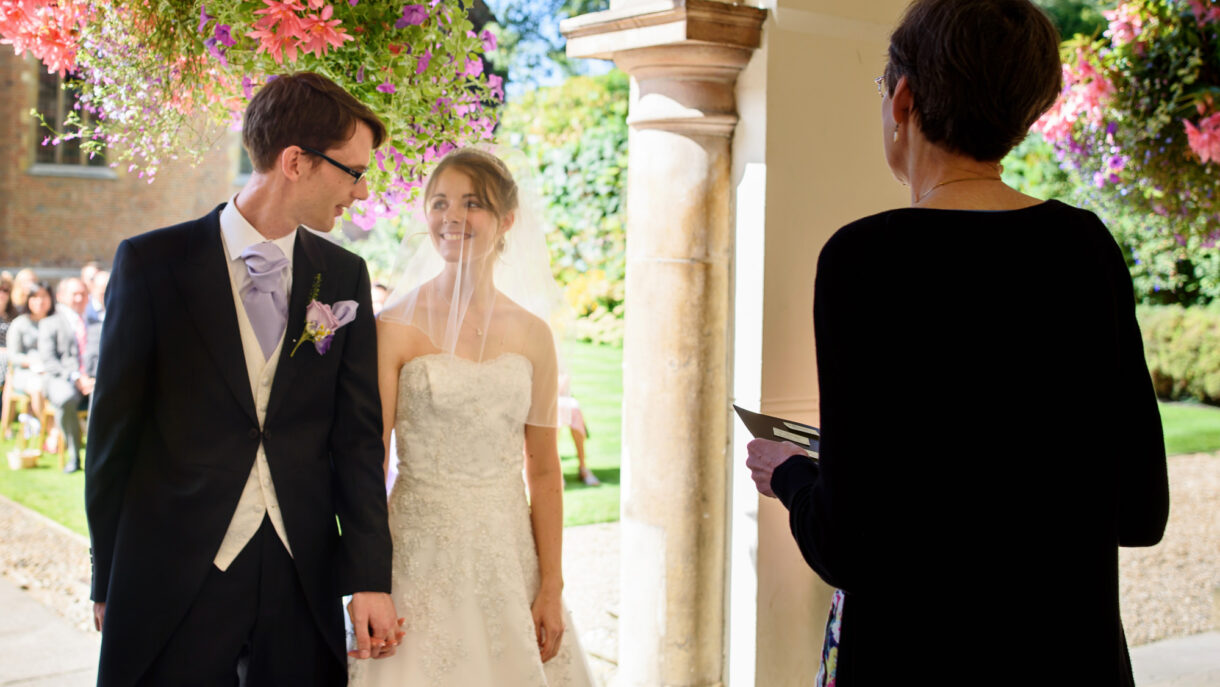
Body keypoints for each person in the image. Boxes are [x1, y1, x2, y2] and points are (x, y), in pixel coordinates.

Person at [743, 1, 1169, 684]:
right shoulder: (1086, 248)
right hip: (1070, 657)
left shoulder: (863, 261)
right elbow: (1141, 510)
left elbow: (847, 543)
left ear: (904, 97)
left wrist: (792, 473)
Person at [85, 71, 402, 686]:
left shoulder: (344, 277)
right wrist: (108, 577)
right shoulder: (153, 264)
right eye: (354, 173)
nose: (360, 194)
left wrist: (368, 578)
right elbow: (111, 440)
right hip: (175, 568)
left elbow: (357, 441)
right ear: (295, 162)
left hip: (299, 571)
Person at [351, 147, 594, 686]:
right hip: (417, 546)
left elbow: (546, 472)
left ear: (506, 221)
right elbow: (371, 456)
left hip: (508, 553)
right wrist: (369, 580)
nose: (451, 216)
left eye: (472, 203)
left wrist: (550, 586)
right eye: (439, 203)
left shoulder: (534, 334)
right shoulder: (392, 326)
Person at [38, 277, 93, 473]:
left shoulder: (96, 323)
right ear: (61, 297)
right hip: (62, 380)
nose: (79, 298)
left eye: (83, 294)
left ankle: (102, 454)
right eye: (74, 294)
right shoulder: (50, 323)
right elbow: (49, 360)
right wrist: (76, 377)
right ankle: (74, 454)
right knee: (65, 398)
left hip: (92, 380)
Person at [4, 281, 53, 426]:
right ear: (28, 300)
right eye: (35, 297)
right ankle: (50, 430)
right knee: (37, 388)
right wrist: (31, 361)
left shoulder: (55, 322)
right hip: (25, 373)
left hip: (50, 371)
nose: (40, 301)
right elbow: (13, 355)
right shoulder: (20, 324)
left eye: (44, 297)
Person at [558, 371, 598, 486]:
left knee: (574, 409)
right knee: (554, 420)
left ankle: (583, 467)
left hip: (562, 398)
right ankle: (556, 470)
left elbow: (564, 381)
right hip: (546, 400)